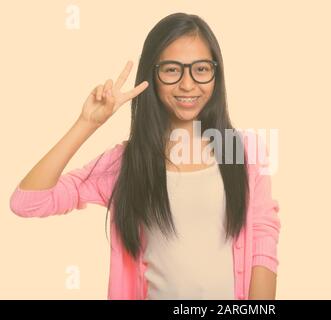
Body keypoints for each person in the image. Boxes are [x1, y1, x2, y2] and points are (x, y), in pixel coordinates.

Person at [9, 12, 281, 300]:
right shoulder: (126, 163)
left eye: (200, 69)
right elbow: (28, 202)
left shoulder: (244, 150)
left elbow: (263, 234)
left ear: (216, 73)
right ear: (152, 75)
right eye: (172, 70)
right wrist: (87, 123)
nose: (188, 85)